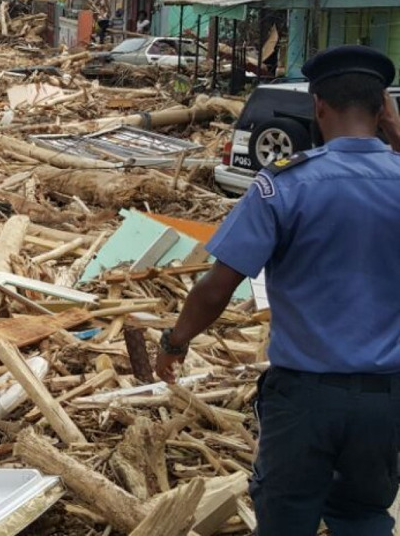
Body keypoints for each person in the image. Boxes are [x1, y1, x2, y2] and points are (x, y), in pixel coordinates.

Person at [154, 45, 400, 536]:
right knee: (364, 516)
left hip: (304, 399)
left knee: (286, 518)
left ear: (318, 107)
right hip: (385, 399)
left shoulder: (285, 185)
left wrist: (175, 341)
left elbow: (218, 285)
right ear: (382, 111)